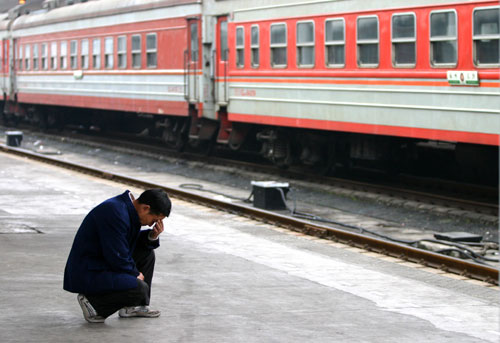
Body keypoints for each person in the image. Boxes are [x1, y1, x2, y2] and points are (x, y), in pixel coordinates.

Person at [63, 188, 172, 323]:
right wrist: (134, 274)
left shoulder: (126, 209)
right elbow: (116, 254)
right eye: (154, 219)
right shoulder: (115, 212)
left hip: (103, 262)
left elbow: (124, 243)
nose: (151, 224)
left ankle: (134, 306)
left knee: (147, 253)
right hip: (89, 270)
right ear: (145, 208)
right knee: (138, 287)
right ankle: (94, 305)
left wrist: (152, 236)